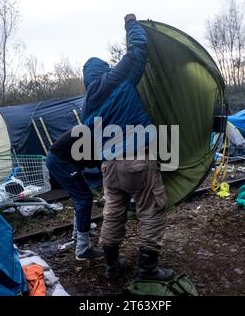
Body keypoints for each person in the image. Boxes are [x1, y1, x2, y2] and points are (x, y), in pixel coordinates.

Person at [81, 14, 173, 281]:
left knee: (113, 212)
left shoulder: (87, 103)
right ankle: (148, 270)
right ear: (104, 70)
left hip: (109, 166)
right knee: (150, 209)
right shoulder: (115, 79)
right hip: (136, 159)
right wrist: (131, 25)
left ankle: (111, 265)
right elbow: (137, 51)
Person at [45, 126, 103, 260]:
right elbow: (99, 162)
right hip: (60, 161)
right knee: (84, 198)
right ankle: (82, 249)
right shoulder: (96, 133)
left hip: (61, 160)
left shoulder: (94, 128)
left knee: (81, 197)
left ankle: (78, 237)